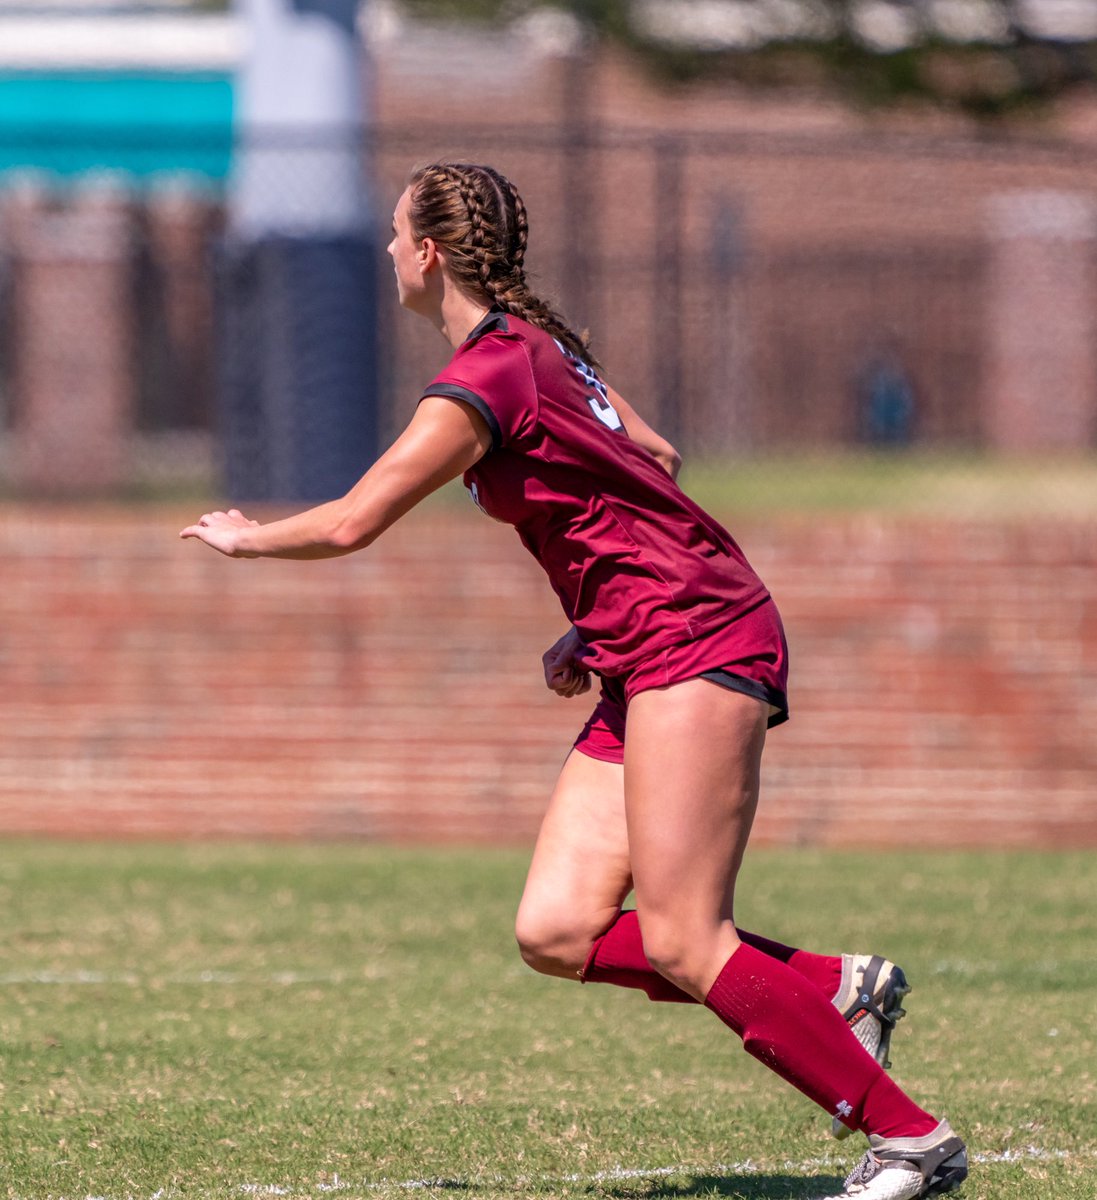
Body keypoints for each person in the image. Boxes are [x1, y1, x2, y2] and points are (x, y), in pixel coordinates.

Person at [181, 162, 967, 1200]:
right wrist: (595, 625)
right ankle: (833, 988)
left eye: (389, 234)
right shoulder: (535, 348)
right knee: (555, 930)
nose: (381, 252)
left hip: (696, 638)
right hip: (640, 648)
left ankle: (908, 1138)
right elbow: (657, 455)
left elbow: (350, 520)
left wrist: (245, 541)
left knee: (688, 936)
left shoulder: (487, 377)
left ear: (425, 254)